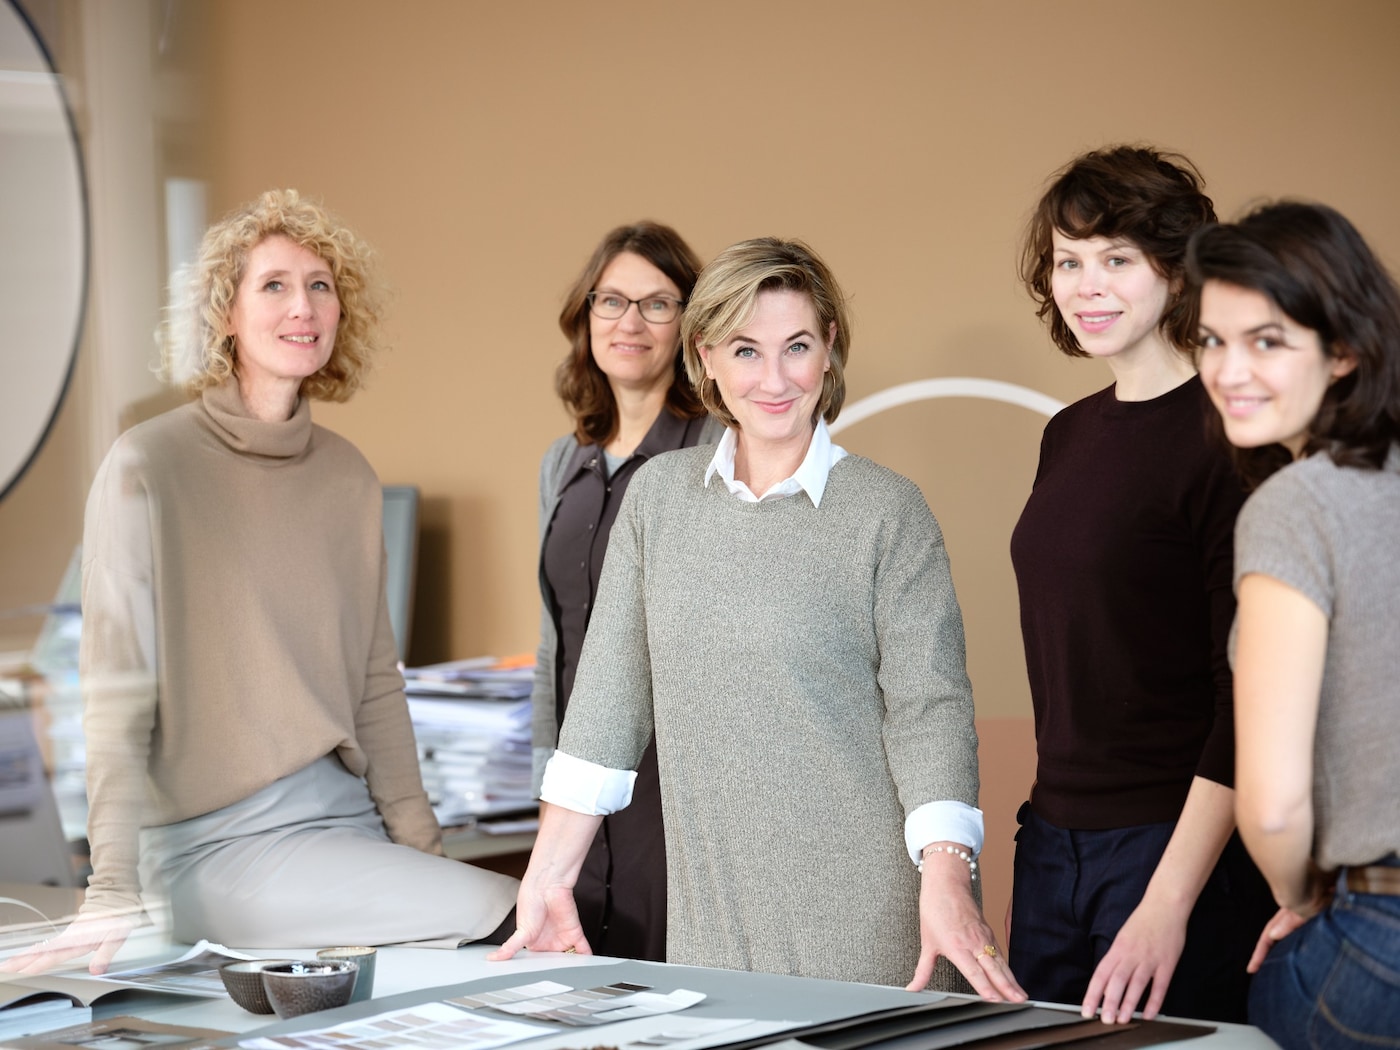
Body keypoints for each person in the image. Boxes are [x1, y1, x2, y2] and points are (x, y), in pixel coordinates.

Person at [493, 237, 1026, 1001]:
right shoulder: (658, 501)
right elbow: (609, 701)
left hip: (870, 926)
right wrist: (547, 879)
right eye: (746, 350)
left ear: (829, 349)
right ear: (705, 355)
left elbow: (930, 709)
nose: (774, 380)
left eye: (797, 347)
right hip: (709, 918)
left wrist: (949, 878)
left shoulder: (887, 511)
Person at [0, 189, 517, 976]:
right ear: (226, 316)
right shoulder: (149, 466)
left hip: (348, 830)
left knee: (504, 922)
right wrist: (110, 889)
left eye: (320, 285)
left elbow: (377, 686)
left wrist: (423, 855)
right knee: (509, 920)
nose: (302, 305)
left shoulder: (347, 476)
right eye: (272, 284)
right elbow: (115, 692)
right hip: (215, 846)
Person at [1008, 146, 1274, 1023]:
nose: (1088, 285)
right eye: (1069, 261)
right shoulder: (1069, 433)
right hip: (1051, 843)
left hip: (1174, 851)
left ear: (1176, 269)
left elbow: (1249, 703)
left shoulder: (1231, 442)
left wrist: (1166, 906)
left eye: (1117, 258)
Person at [1189, 201, 1400, 1046]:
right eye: (1211, 340)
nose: (1228, 370)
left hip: (1373, 946)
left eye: (1267, 341)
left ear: (1345, 349)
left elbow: (1273, 808)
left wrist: (1305, 901)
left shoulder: (1295, 506)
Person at [532, 222, 722, 962]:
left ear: (690, 323)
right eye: (611, 301)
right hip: (578, 784)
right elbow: (556, 643)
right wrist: (549, 788)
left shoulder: (715, 449)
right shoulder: (563, 461)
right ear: (586, 315)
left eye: (657, 303)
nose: (630, 323)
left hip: (673, 783)